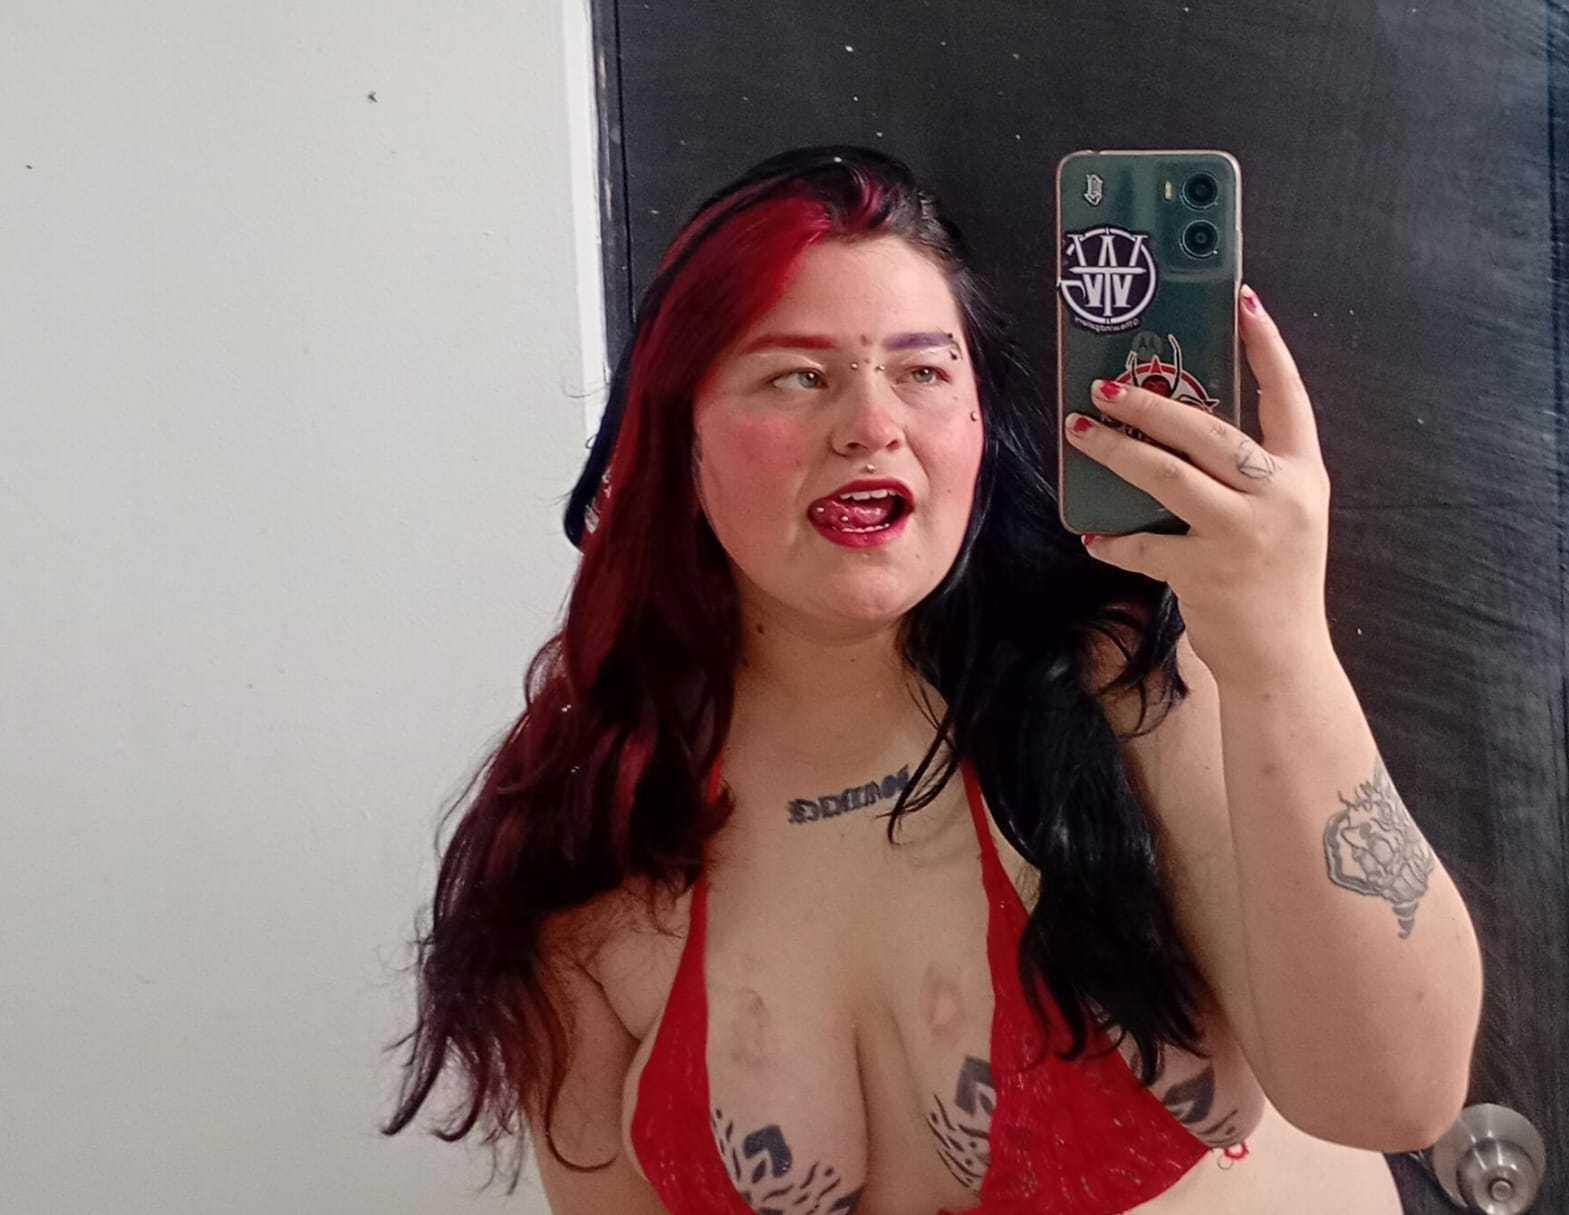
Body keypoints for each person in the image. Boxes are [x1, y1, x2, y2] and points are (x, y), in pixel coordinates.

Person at [381, 146, 1483, 1214]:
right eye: (798, 376)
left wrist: (1281, 649)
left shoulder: (1123, 684)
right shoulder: (589, 844)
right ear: (679, 438)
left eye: (921, 371)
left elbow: (1398, 1095)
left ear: (977, 420)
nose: (872, 426)